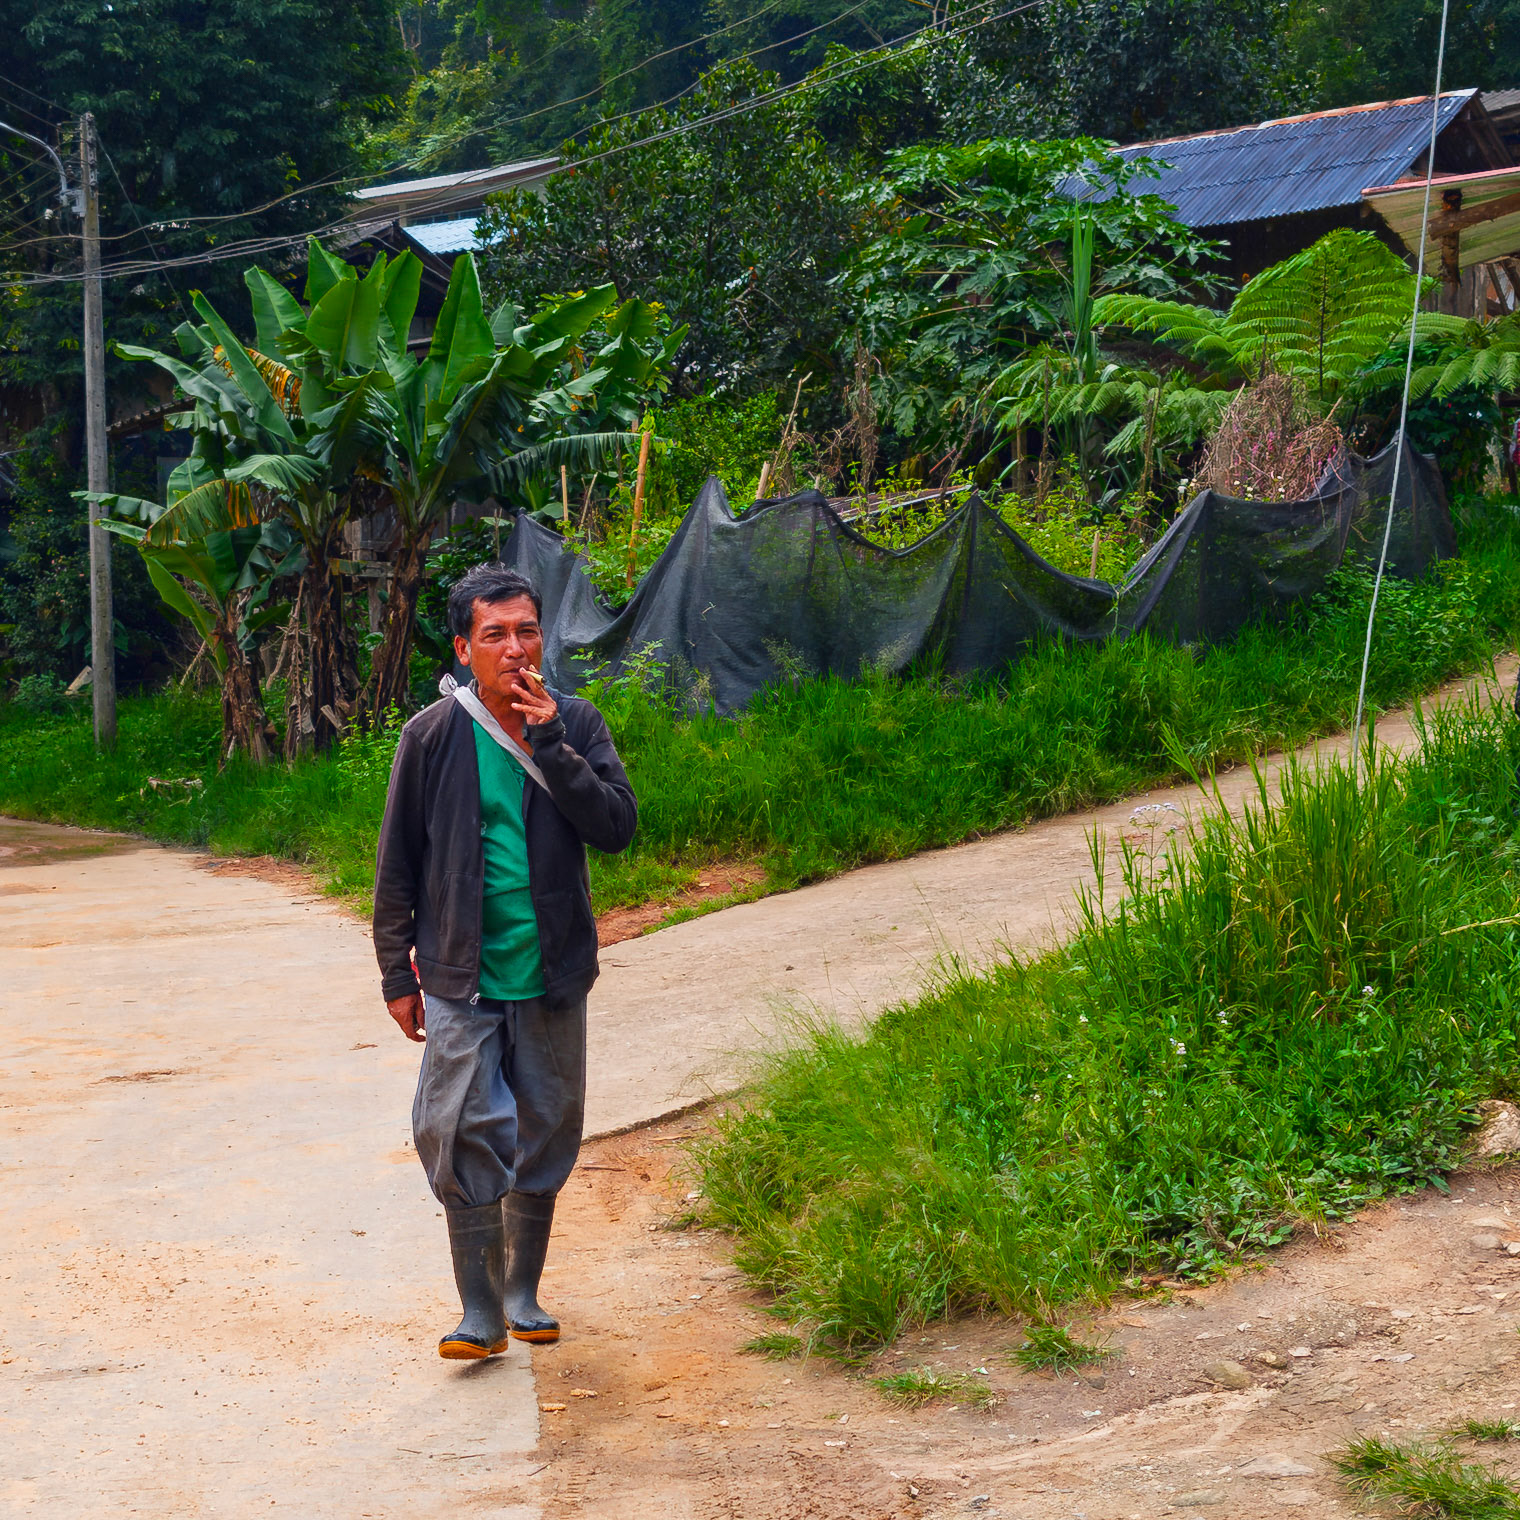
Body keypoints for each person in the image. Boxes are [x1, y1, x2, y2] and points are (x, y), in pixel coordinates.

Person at [373, 563, 637, 1359]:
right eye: (496, 634)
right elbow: (397, 867)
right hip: (459, 971)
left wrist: (551, 740)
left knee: (547, 1123)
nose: (516, 648)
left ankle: (524, 1290)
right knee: (453, 1126)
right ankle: (480, 1310)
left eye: (527, 631)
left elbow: (615, 826)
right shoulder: (430, 736)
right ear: (464, 647)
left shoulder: (578, 723)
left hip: (553, 969)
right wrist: (396, 973)